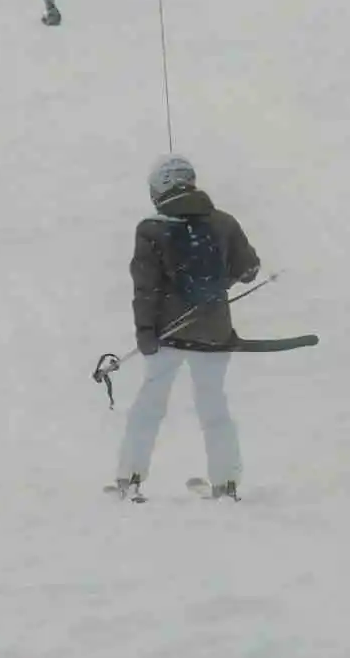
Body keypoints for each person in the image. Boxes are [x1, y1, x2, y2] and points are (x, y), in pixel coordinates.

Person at [112, 154, 260, 503]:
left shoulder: (150, 228)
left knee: (149, 407)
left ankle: (129, 478)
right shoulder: (224, 222)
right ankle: (227, 484)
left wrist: (144, 331)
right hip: (214, 334)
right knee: (214, 408)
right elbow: (250, 268)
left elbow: (145, 288)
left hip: (167, 336)